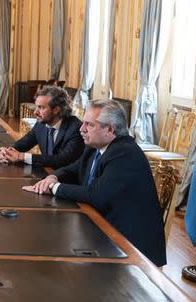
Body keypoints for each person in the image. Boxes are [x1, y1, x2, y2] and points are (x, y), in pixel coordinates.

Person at [23, 99, 166, 266]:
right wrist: (53, 177)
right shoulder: (95, 147)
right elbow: (73, 169)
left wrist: (54, 188)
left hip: (129, 246)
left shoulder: (124, 153)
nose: (81, 129)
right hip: (101, 228)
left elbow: (96, 195)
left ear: (110, 129)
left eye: (89, 125)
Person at [0, 86, 84, 168]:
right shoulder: (41, 124)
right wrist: (7, 152)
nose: (35, 112)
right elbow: (24, 143)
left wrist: (22, 156)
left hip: (67, 180)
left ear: (56, 110)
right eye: (36, 107)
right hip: (46, 175)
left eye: (41, 108)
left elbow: (62, 160)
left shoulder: (75, 128)